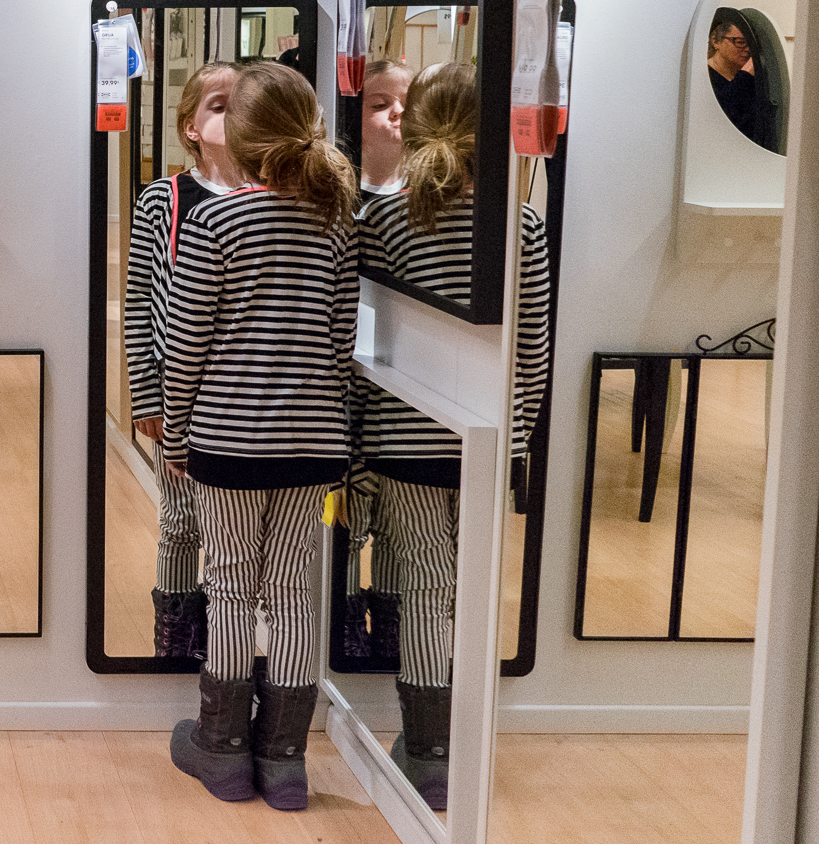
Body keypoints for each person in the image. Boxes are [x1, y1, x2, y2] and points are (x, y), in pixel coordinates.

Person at [161, 62, 360, 812]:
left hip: (226, 443)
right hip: (313, 444)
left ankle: (222, 747)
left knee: (232, 587)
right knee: (296, 593)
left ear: (238, 140)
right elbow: (339, 344)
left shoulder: (215, 223)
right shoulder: (336, 223)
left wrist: (176, 435)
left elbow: (186, 347)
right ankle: (285, 760)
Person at [354, 63, 552, 810]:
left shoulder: (386, 219)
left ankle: (429, 751)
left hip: (406, 441)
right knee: (472, 594)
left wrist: (361, 441)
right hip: (487, 442)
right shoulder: (520, 225)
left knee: (428, 592)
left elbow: (368, 349)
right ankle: (463, 743)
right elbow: (528, 351)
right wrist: (515, 443)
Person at [124, 61, 242, 661]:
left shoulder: (272, 195)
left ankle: (233, 649)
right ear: (190, 126)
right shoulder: (162, 201)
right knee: (179, 524)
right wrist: (146, 394)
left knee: (237, 545)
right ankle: (174, 640)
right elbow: (140, 301)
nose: (232, 113)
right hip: (179, 397)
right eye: (218, 105)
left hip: (245, 405)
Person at [707, 9, 776, 150]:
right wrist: (744, 75)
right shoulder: (704, 75)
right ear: (716, 42)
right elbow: (725, 114)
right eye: (740, 42)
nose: (747, 49)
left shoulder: (752, 77)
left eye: (749, 43)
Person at [359, 59, 412, 194]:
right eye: (380, 105)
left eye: (407, 103)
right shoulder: (340, 185)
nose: (399, 110)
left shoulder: (425, 184)